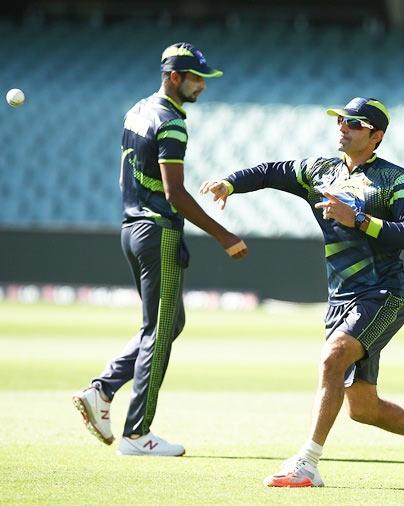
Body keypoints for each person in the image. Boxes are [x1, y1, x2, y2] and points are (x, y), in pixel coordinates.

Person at [200, 97, 404, 487]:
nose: (343, 127)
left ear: (376, 136)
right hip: (342, 299)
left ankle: (307, 465)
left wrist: (359, 219)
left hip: (384, 295)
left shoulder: (394, 179)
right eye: (342, 121)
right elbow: (272, 171)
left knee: (332, 358)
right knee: (363, 408)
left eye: (355, 124)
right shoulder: (321, 170)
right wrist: (231, 183)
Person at [72, 42, 247, 457]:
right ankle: (137, 433)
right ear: (174, 77)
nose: (202, 86)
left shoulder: (137, 109)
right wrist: (224, 235)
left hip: (131, 228)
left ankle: (103, 389)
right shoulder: (171, 122)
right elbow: (175, 193)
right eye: (196, 78)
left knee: (167, 323)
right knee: (160, 331)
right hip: (158, 232)